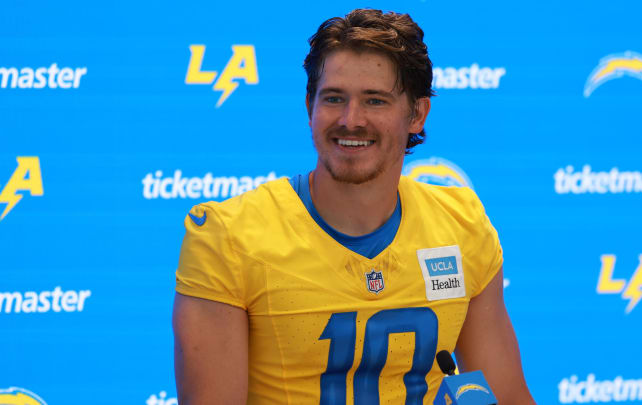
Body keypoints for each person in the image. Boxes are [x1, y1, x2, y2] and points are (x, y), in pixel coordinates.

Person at [173, 8, 535, 405]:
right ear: (310, 106)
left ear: (417, 113)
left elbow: (508, 395)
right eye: (334, 98)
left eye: (375, 101)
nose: (351, 120)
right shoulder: (228, 237)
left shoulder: (460, 224)